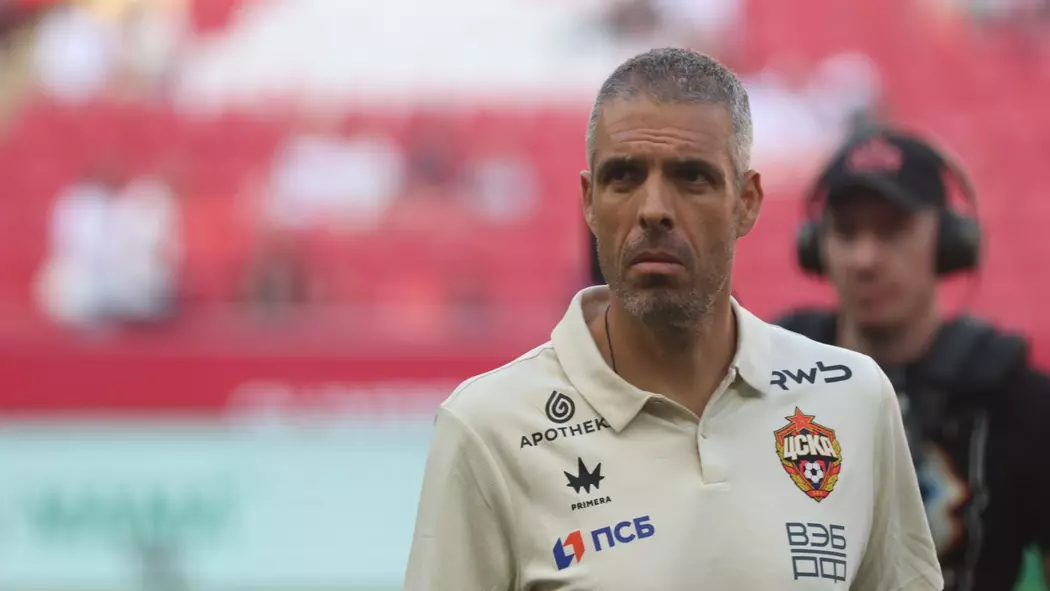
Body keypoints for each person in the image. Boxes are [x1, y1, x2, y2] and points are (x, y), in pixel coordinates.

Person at [405, 48, 942, 590]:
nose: (654, 209)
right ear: (589, 202)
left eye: (691, 177)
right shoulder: (488, 428)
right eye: (624, 176)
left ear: (747, 202)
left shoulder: (854, 398)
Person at [776, 126, 1050, 591]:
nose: (865, 258)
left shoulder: (1021, 403)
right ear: (815, 247)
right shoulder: (768, 375)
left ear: (948, 242)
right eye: (846, 232)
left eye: (893, 230)